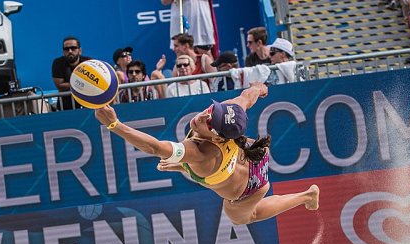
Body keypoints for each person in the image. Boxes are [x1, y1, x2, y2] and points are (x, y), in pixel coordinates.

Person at [94, 84, 319, 226]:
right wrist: (259, 88)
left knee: (244, 217)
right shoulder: (228, 114)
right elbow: (247, 97)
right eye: (213, 112)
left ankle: (307, 196)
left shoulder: (201, 152)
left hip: (250, 188)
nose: (204, 117)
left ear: (219, 138)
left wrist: (114, 124)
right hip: (253, 154)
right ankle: (306, 196)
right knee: (204, 171)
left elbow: (154, 148)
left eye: (211, 122)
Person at [51, 36, 91, 110]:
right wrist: (84, 83)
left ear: (80, 50)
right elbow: (60, 86)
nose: (70, 51)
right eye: (66, 49)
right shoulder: (58, 63)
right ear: (63, 52)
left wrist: (72, 84)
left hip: (88, 103)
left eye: (73, 48)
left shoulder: (89, 62)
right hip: (66, 106)